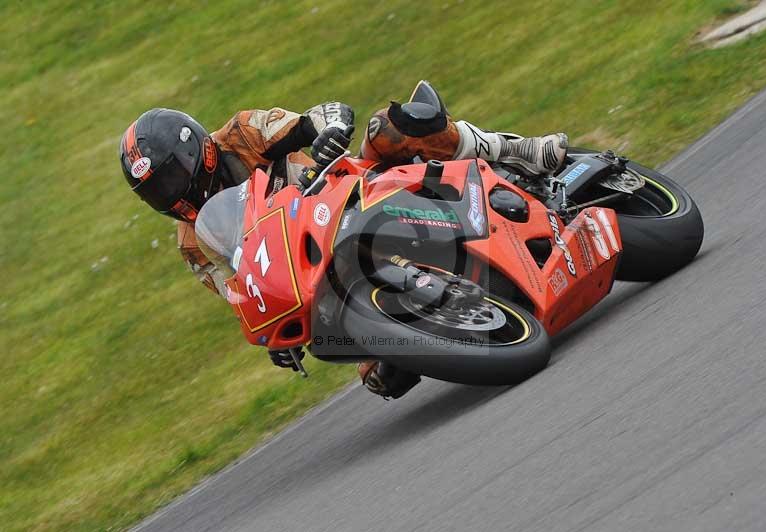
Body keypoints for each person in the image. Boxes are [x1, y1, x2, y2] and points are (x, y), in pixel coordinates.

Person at [119, 81, 568, 399]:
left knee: (389, 128)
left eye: (173, 176)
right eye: (157, 191)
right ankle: (462, 301)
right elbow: (241, 291)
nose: (173, 193)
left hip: (346, 195)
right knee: (381, 376)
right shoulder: (193, 244)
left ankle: (512, 150)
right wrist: (277, 337)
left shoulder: (241, 134)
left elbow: (318, 116)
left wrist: (328, 131)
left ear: (198, 149)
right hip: (319, 273)